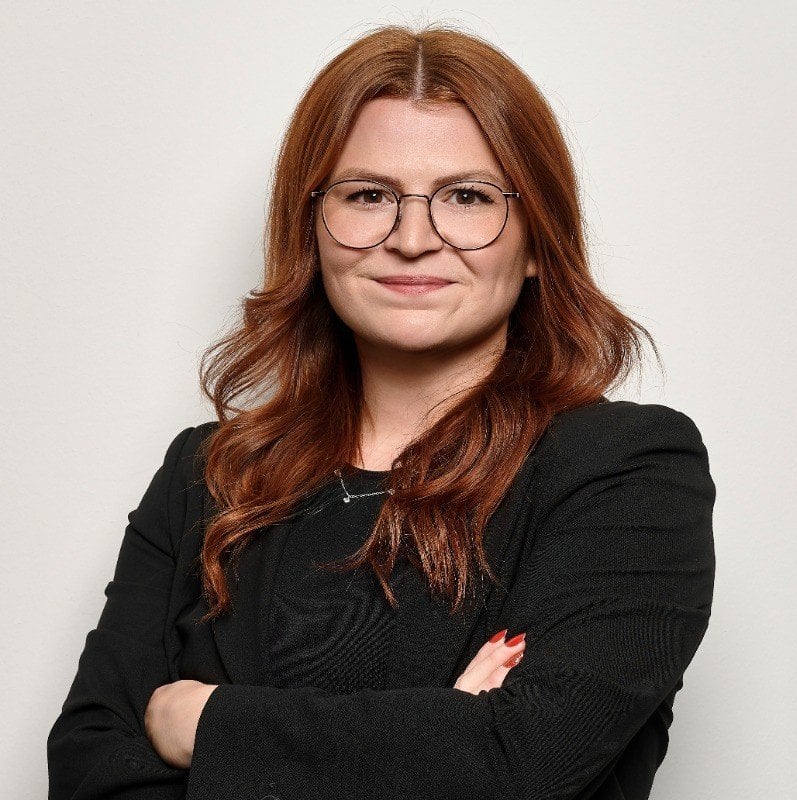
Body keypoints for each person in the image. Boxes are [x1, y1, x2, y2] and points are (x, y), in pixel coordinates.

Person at [46, 22, 716, 800]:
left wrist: (209, 725)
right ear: (311, 229)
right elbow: (87, 770)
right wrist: (438, 742)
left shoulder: (627, 471)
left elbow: (523, 761)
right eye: (368, 196)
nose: (412, 238)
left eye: (467, 197)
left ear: (538, 242)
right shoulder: (207, 475)